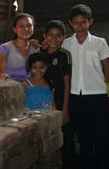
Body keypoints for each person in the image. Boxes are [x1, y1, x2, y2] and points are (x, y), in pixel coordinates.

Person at [62, 4, 109, 169]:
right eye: (76, 23)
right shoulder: (66, 45)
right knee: (84, 139)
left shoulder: (99, 43)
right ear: (70, 23)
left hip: (98, 97)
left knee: (102, 138)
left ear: (90, 22)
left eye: (83, 22)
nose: (80, 26)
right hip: (76, 98)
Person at [41, 20, 75, 169]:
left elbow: (67, 83)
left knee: (67, 143)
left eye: (58, 36)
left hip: (63, 103)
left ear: (63, 38)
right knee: (49, 141)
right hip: (45, 104)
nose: (54, 39)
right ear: (45, 36)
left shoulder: (64, 55)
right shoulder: (40, 55)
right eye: (50, 35)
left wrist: (65, 110)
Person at [0, 13, 39, 82]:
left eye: (29, 25)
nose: (26, 29)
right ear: (15, 29)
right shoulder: (4, 48)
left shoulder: (36, 49)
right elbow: (1, 73)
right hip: (11, 86)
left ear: (33, 28)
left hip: (30, 86)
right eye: (21, 26)